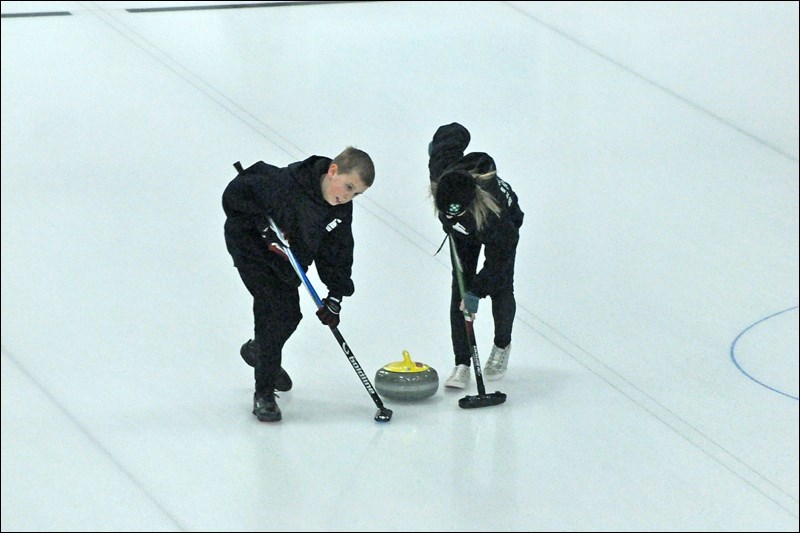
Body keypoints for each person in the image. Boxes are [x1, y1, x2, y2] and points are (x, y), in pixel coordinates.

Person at [223, 147, 375, 422]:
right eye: (349, 186)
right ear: (332, 171)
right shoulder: (286, 184)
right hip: (252, 249)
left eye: (356, 194)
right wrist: (261, 225)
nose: (348, 196)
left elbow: (337, 252)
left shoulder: (340, 210)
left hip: (286, 259)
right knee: (273, 310)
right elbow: (236, 194)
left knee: (291, 315)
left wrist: (335, 296)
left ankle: (260, 351)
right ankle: (264, 393)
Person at [427, 122, 524, 388]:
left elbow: (498, 265)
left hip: (498, 231)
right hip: (462, 234)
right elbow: (451, 133)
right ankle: (461, 363)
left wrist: (477, 293)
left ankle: (502, 345)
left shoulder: (496, 218)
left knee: (500, 287)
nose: (449, 216)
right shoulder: (442, 173)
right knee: (459, 289)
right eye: (446, 212)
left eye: (456, 213)